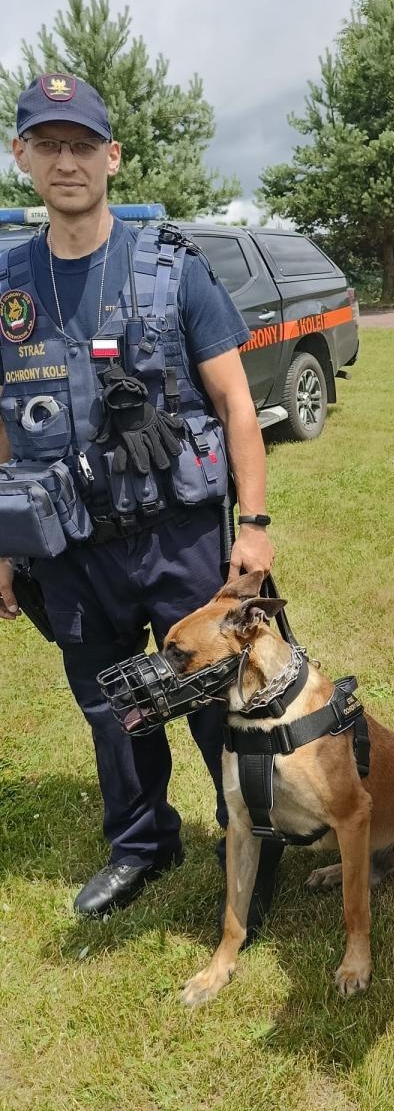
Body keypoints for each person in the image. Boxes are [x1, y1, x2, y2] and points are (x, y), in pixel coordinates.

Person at [0, 74, 276, 918]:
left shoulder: (172, 270)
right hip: (71, 547)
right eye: (48, 144)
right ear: (22, 158)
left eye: (83, 144)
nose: (67, 161)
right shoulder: (8, 284)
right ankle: (142, 844)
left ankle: (254, 847)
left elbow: (236, 404)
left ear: (112, 158)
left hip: (177, 536)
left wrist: (256, 524)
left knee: (210, 697)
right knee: (113, 703)